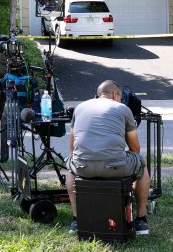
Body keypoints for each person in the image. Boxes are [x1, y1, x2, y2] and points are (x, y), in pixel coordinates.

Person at [65, 80, 150, 235]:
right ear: (115, 95)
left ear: (99, 94)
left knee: (71, 169)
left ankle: (76, 220)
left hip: (83, 168)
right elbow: (135, 149)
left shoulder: (80, 108)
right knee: (142, 165)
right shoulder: (123, 109)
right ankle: (141, 220)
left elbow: (72, 147)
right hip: (115, 167)